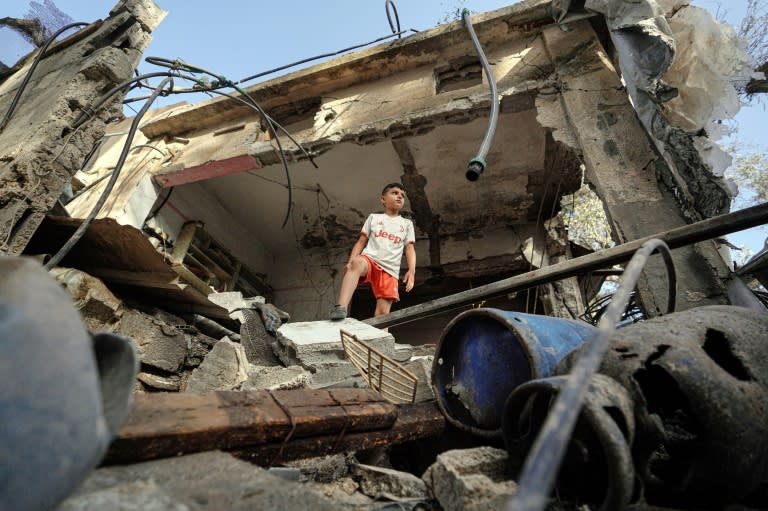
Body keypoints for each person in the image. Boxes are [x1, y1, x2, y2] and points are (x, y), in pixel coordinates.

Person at [330, 183, 416, 321]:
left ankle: (383, 340)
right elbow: (361, 242)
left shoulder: (406, 224)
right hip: (370, 260)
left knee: (383, 313)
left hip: (390, 270)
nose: (399, 196)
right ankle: (341, 307)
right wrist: (350, 263)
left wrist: (412, 271)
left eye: (402, 196)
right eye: (394, 193)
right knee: (357, 263)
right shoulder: (374, 218)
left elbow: (410, 249)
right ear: (383, 199)